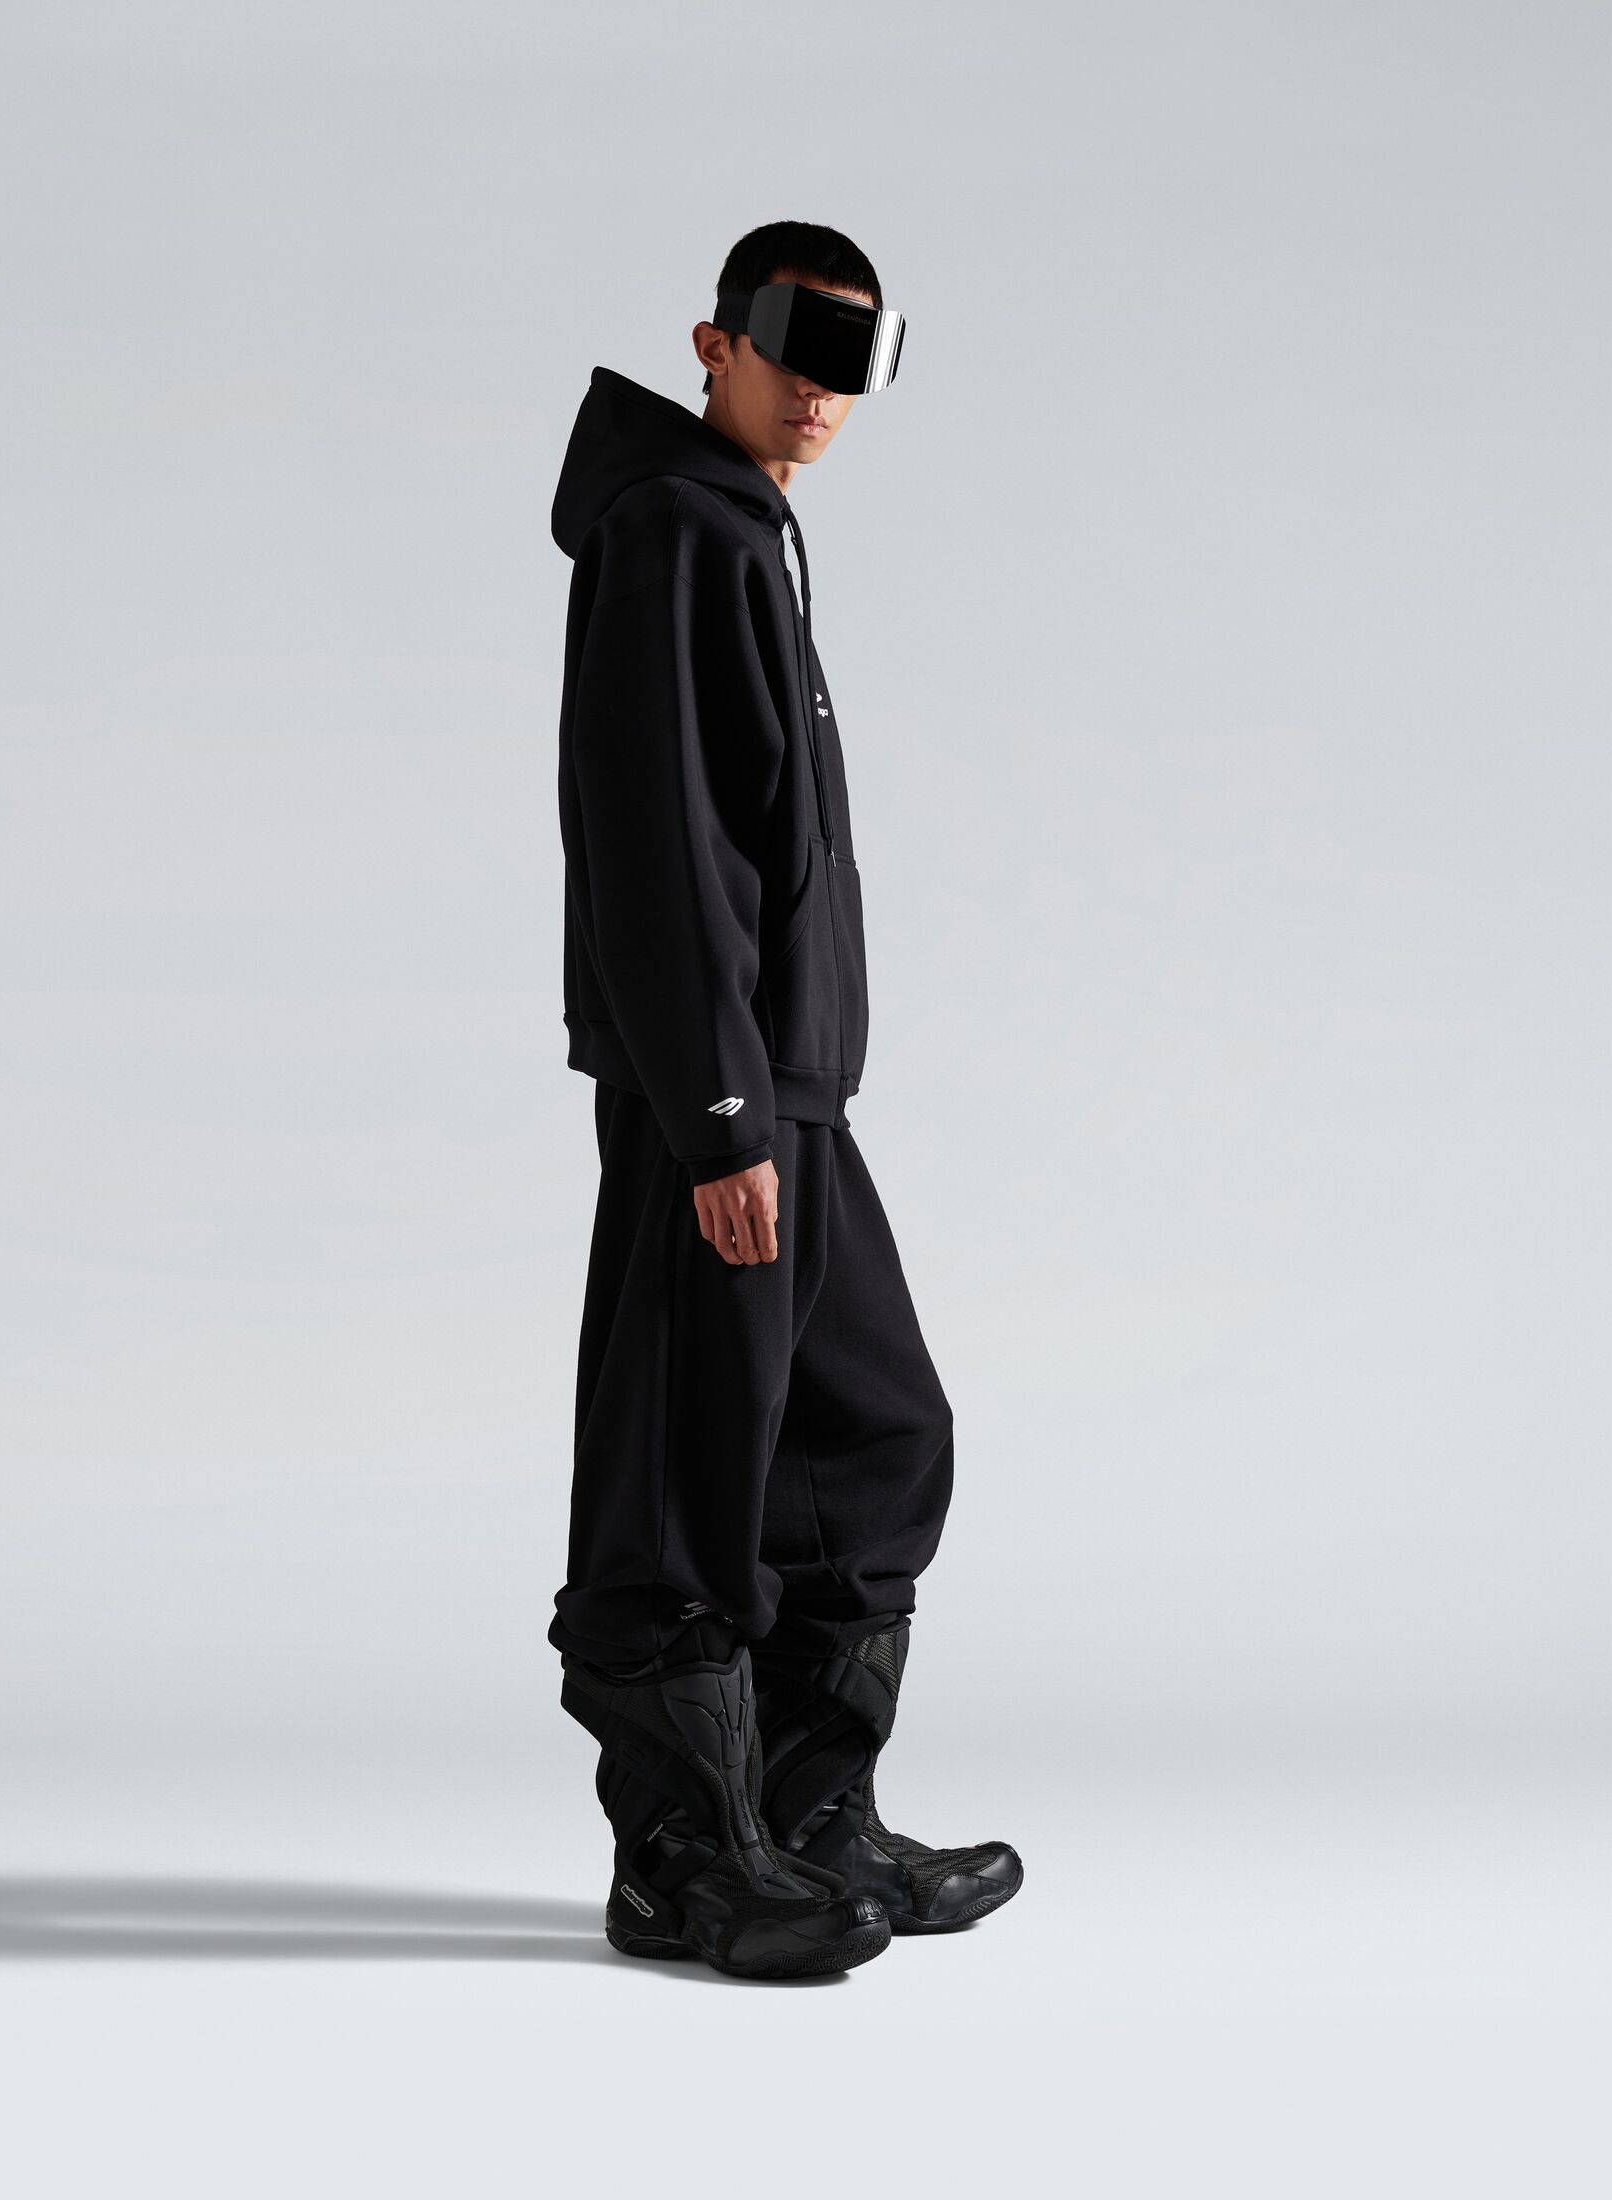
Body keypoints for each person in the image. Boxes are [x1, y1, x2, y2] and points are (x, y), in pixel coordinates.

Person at [546, 221, 1022, 1980]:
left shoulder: (742, 524)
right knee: (688, 1475)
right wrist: (723, 1123)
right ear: (715, 342)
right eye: (796, 348)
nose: (824, 392)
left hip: (789, 1091)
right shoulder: (677, 530)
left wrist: (781, 1098)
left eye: (859, 363)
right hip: (724, 1105)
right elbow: (662, 849)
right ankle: (683, 1860)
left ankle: (813, 1819)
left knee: (871, 1434)